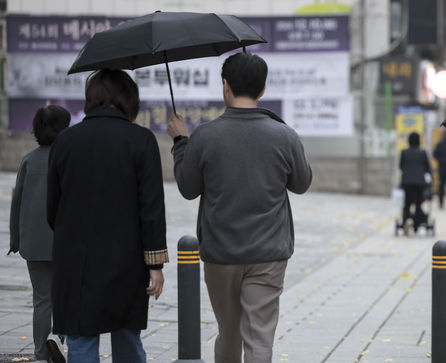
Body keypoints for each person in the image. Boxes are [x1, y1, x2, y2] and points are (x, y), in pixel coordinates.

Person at [167, 52, 312, 363]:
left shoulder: (205, 136)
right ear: (262, 89)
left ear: (225, 86)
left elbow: (188, 188)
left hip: (221, 252)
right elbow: (302, 183)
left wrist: (181, 143)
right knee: (260, 337)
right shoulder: (283, 134)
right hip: (269, 252)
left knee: (228, 332)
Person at [47, 69, 167, 362]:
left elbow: (53, 210)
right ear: (128, 99)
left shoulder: (65, 141)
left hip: (75, 262)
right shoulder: (142, 140)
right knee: (127, 337)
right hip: (125, 263)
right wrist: (155, 264)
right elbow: (151, 209)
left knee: (82, 342)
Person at [9, 105, 70, 363]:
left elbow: (17, 203)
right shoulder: (69, 159)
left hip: (33, 244)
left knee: (42, 299)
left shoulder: (28, 160)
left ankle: (41, 354)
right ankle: (58, 336)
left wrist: (15, 239)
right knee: (66, 296)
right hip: (64, 242)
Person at [399, 132, 430, 234]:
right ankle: (416, 225)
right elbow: (427, 167)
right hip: (419, 183)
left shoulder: (404, 152)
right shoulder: (422, 152)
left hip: (407, 182)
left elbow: (401, 166)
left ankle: (406, 221)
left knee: (407, 203)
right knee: (418, 204)